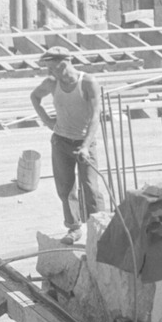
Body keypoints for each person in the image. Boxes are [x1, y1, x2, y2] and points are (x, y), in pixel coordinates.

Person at [30, 49, 105, 230]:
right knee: (66, 189)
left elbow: (96, 116)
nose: (49, 73)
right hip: (61, 142)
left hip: (84, 142)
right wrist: (47, 121)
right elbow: (35, 97)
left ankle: (100, 228)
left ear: (63, 65)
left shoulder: (87, 82)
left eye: (52, 68)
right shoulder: (52, 83)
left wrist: (86, 146)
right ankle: (73, 226)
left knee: (91, 188)